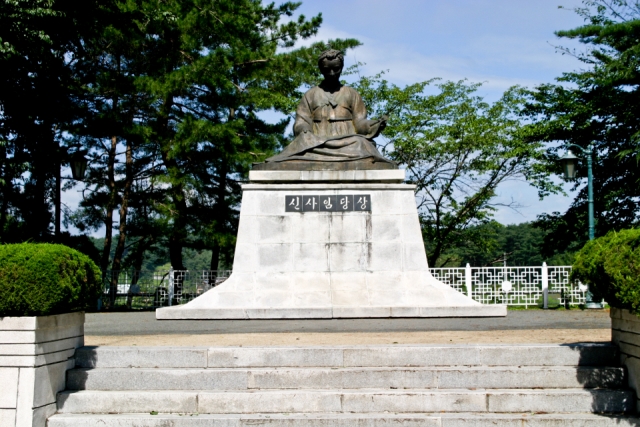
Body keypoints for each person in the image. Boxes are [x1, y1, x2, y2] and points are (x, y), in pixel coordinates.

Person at [263, 49, 394, 166]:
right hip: (318, 143)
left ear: (341, 68)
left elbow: (360, 122)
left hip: (347, 142)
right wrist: (304, 130)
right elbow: (301, 121)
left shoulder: (352, 94)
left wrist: (374, 125)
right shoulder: (311, 94)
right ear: (321, 70)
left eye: (336, 69)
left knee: (361, 143)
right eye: (327, 70)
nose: (332, 73)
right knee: (303, 141)